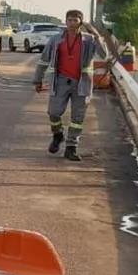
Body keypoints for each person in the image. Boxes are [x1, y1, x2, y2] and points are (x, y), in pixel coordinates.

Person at [33, 9, 99, 161]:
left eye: (75, 20)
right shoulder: (56, 40)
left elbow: (105, 52)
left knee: (78, 117)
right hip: (61, 81)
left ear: (80, 22)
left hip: (82, 83)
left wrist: (96, 34)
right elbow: (43, 60)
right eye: (69, 20)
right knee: (53, 112)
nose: (71, 23)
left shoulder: (89, 41)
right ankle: (58, 135)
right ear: (65, 21)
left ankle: (71, 148)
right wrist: (38, 79)